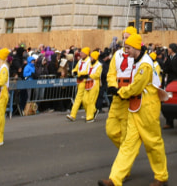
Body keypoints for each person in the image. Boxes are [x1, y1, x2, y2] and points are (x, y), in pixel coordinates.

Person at [98, 33, 168, 186]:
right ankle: (115, 179)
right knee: (128, 145)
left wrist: (120, 92)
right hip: (135, 107)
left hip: (147, 109)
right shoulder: (138, 61)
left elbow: (136, 87)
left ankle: (161, 177)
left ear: (136, 48)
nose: (126, 51)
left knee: (153, 144)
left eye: (128, 48)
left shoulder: (144, 65)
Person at [106, 26, 138, 148]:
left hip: (129, 95)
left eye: (128, 38)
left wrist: (129, 91)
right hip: (117, 95)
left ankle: (125, 157)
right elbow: (111, 72)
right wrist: (113, 86)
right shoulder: (117, 54)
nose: (125, 40)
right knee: (111, 130)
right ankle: (126, 152)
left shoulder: (137, 55)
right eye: (124, 38)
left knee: (126, 130)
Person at [68, 47, 92, 122]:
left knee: (85, 100)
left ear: (86, 53)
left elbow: (89, 71)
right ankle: (73, 115)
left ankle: (89, 112)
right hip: (80, 81)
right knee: (79, 99)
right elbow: (76, 68)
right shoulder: (80, 61)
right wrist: (74, 71)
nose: (80, 54)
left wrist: (81, 74)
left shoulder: (89, 61)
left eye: (82, 53)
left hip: (86, 82)